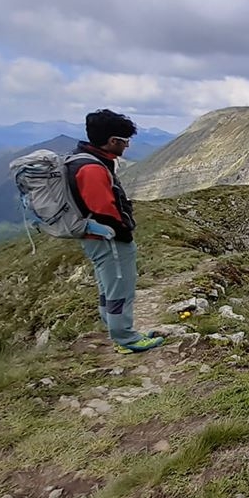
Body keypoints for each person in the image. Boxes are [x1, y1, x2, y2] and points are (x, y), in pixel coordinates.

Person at [70, 109, 164, 354]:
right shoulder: (92, 168)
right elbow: (103, 209)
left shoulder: (85, 159)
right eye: (125, 141)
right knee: (120, 286)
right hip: (108, 239)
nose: (126, 147)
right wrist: (123, 232)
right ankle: (126, 339)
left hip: (95, 238)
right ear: (112, 141)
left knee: (108, 286)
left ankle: (116, 331)